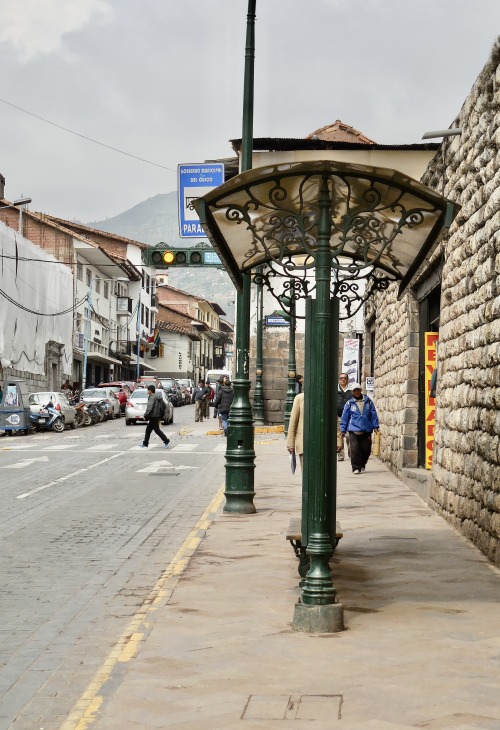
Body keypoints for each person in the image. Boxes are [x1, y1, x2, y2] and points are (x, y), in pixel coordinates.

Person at [340, 383, 379, 474]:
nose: (356, 392)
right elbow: (345, 417)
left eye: (358, 390)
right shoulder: (349, 403)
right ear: (352, 392)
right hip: (353, 430)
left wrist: (375, 426)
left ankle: (362, 464)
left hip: (366, 429)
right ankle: (355, 467)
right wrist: (343, 429)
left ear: (361, 390)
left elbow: (373, 414)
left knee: (366, 450)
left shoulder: (368, 401)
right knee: (354, 450)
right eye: (354, 390)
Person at [287, 390, 304, 470]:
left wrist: (338, 441)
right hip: (304, 444)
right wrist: (290, 444)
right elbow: (293, 422)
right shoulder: (300, 398)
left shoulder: (326, 397)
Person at [337, 373, 352, 461]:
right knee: (339, 436)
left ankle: (351, 453)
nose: (343, 380)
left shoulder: (351, 391)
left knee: (349, 436)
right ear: (339, 380)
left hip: (349, 417)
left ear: (347, 380)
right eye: (341, 378)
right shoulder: (335, 391)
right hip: (338, 416)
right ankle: (340, 454)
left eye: (345, 378)